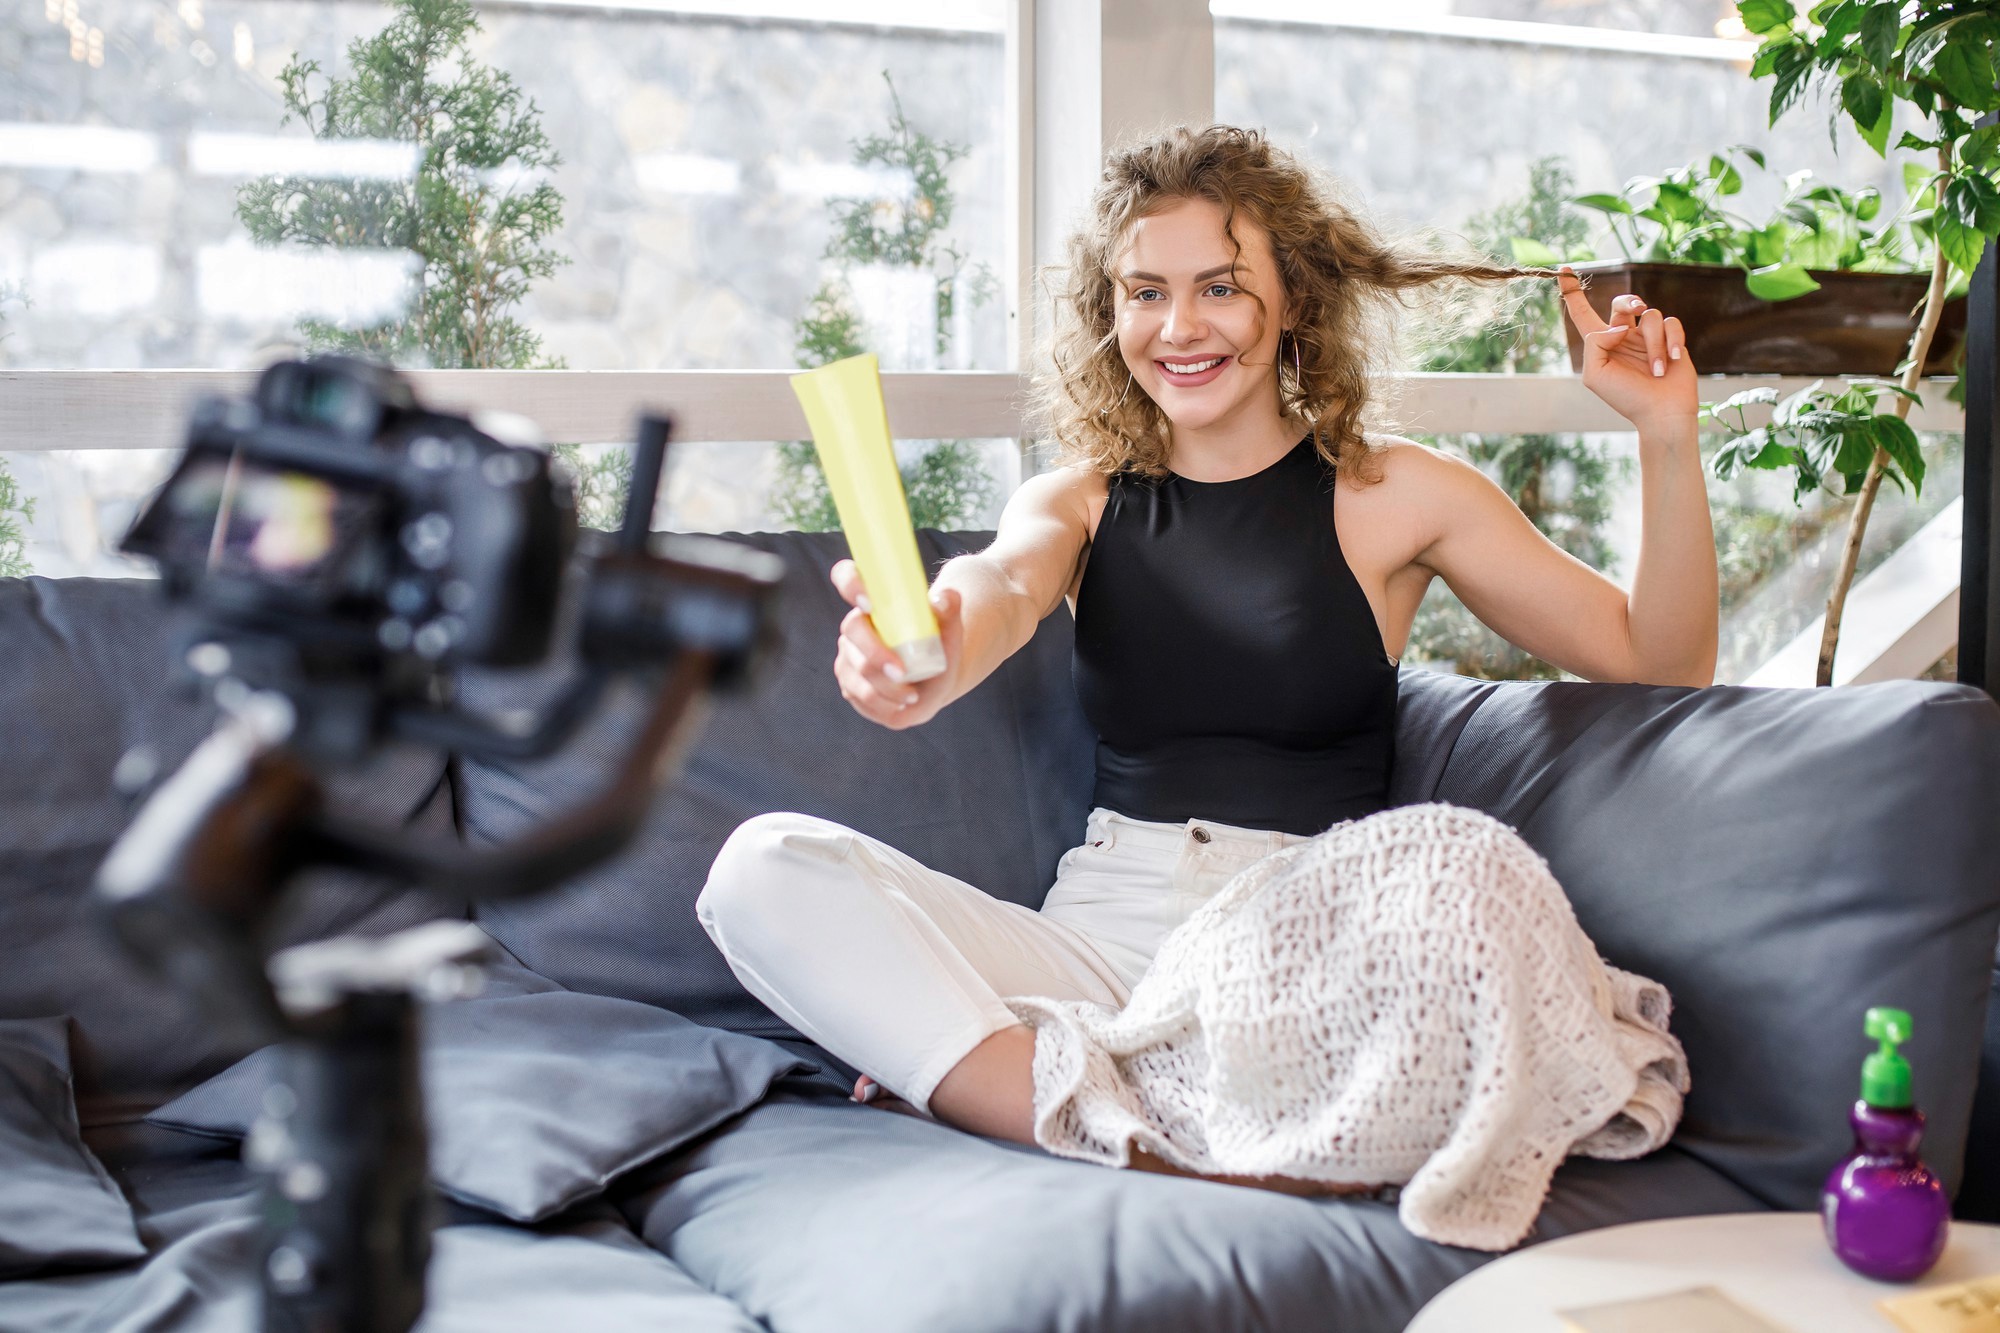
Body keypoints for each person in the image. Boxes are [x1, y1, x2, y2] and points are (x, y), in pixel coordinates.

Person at [696, 124, 1717, 1194]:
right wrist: (933, 643)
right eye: (1143, 293)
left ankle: (1026, 1085)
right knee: (762, 868)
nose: (1177, 327)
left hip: (1288, 943)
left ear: (1294, 307)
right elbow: (999, 585)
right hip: (1095, 944)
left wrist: (1662, 435)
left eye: (1218, 288)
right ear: (1108, 313)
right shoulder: (1078, 497)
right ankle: (1117, 1120)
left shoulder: (1396, 494)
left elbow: (1658, 660)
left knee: (1467, 871)